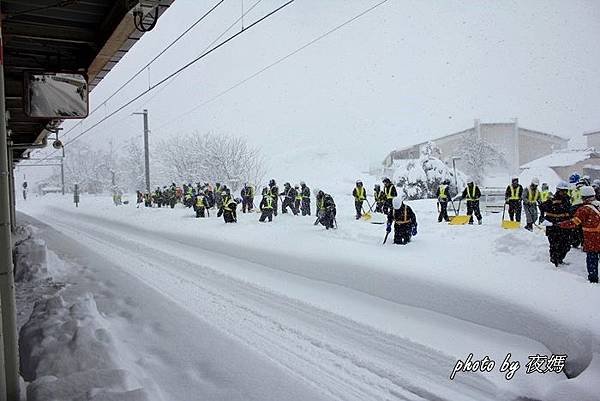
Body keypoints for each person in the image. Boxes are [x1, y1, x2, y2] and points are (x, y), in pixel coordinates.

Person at [559, 186, 600, 283]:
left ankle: (593, 279)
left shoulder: (584, 209)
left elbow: (574, 222)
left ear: (584, 198)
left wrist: (560, 224)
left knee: (592, 259)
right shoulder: (598, 205)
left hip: (592, 238)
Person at [540, 181, 571, 267]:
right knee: (554, 245)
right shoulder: (553, 199)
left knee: (566, 245)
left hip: (564, 226)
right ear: (558, 190)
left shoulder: (567, 199)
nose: (564, 193)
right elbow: (542, 206)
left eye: (566, 191)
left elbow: (568, 211)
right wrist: (550, 202)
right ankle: (554, 262)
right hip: (553, 226)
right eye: (563, 191)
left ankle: (559, 259)